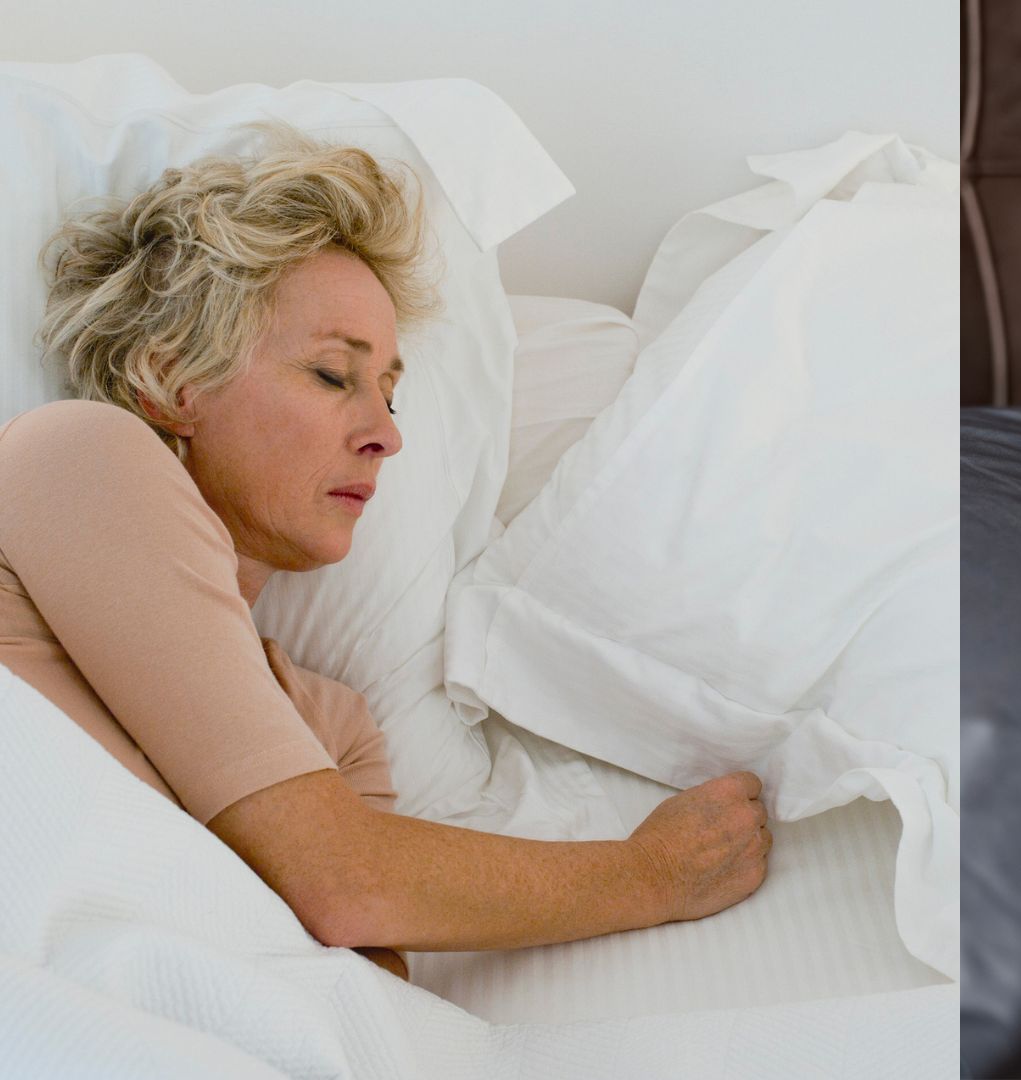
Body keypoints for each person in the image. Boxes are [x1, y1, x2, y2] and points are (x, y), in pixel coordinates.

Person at [0, 128, 770, 983]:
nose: (388, 435)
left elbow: (365, 1009)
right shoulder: (74, 455)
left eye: (391, 393)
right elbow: (347, 882)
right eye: (334, 375)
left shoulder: (336, 729)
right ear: (169, 378)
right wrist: (651, 875)